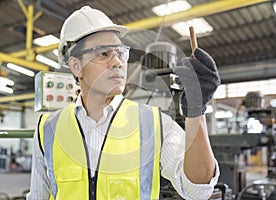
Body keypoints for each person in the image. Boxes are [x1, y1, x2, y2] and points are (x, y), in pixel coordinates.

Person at [27, 6, 220, 200]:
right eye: (103, 54)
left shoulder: (153, 124)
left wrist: (196, 111)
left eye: (120, 52)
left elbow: (197, 190)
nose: (117, 62)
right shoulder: (48, 128)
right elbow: (38, 195)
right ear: (76, 66)